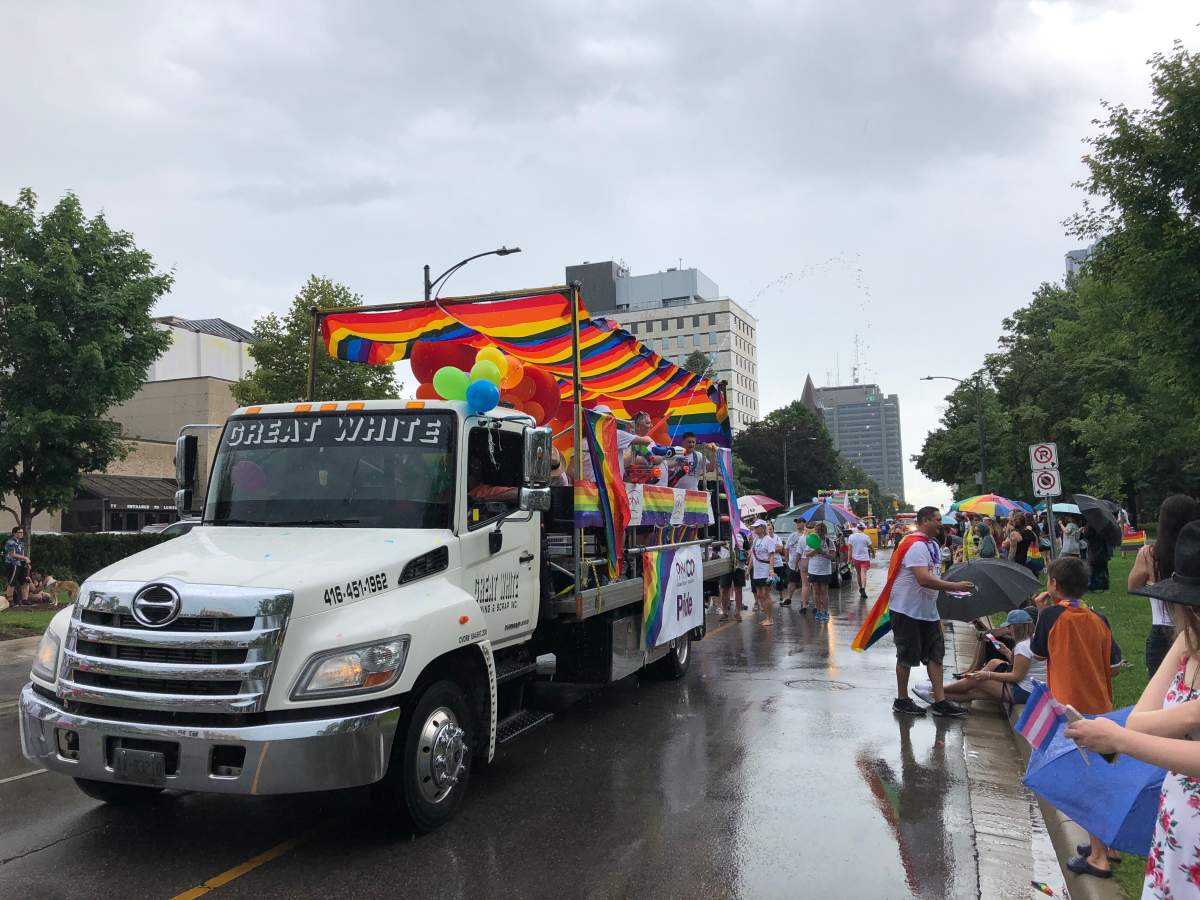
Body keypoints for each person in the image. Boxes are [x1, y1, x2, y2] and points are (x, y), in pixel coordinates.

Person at [1067, 520, 1200, 896]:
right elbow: (1139, 721)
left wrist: (1120, 740)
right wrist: (1191, 714)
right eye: (1192, 605)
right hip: (1177, 834)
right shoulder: (1188, 641)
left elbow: (1136, 732)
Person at [1030, 555, 1123, 880]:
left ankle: (1098, 858)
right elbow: (1113, 664)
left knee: (1086, 783)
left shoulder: (1051, 615)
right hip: (1101, 706)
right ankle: (1108, 845)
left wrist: (1040, 612)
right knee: (1100, 775)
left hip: (1070, 712)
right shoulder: (1099, 617)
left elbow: (1037, 653)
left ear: (1054, 584)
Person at [887, 506, 974, 718]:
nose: (940, 524)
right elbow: (923, 579)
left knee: (936, 655)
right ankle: (902, 700)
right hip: (907, 611)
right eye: (937, 520)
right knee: (906, 656)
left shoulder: (932, 544)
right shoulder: (915, 545)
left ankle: (940, 701)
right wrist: (954, 586)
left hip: (928, 611)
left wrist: (948, 589)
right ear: (925, 521)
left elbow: (933, 576)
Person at [1129, 495, 1199, 678]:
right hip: (1194, 627)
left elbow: (1133, 586)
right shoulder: (1195, 556)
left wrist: (1154, 582)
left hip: (1161, 630)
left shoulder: (1149, 554)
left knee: (1161, 689)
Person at [925, 609, 1043, 708]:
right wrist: (1006, 651)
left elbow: (1016, 676)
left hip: (1023, 692)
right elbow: (1023, 667)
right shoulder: (1033, 640)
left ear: (1015, 627)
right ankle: (935, 696)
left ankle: (936, 690)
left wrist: (988, 675)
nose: (1009, 629)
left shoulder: (1023, 646)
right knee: (974, 691)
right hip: (1031, 691)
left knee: (976, 680)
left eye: (1009, 626)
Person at [804, 522, 837, 622]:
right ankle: (818, 611)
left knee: (824, 591)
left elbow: (833, 556)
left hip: (825, 571)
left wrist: (823, 552)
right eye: (817, 531)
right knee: (815, 591)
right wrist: (815, 551)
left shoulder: (829, 542)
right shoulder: (812, 540)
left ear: (825, 532)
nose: (819, 533)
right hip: (813, 570)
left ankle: (825, 612)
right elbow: (806, 554)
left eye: (821, 531)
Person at [718, 529, 749, 622]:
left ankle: (737, 612)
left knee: (738, 589)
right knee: (724, 589)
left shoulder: (742, 534)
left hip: (739, 566)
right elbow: (715, 548)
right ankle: (724, 612)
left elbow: (748, 549)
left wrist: (744, 554)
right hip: (725, 565)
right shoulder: (721, 533)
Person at [749, 520, 775, 627]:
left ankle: (770, 618)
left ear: (762, 528)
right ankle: (766, 617)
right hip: (757, 572)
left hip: (765, 570)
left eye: (756, 527)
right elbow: (752, 556)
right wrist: (748, 569)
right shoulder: (755, 540)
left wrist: (771, 570)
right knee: (759, 595)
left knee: (765, 594)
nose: (754, 529)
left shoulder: (768, 540)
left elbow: (772, 556)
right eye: (754, 527)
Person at [4, 525, 31, 609]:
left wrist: (26, 563)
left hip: (21, 564)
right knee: (12, 582)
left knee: (25, 581)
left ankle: (24, 600)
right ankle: (10, 600)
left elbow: (21, 554)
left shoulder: (21, 543)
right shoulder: (10, 542)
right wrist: (25, 558)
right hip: (13, 564)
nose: (21, 534)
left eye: (22, 532)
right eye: (19, 532)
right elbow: (12, 554)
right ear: (14, 533)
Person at [783, 518, 808, 608]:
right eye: (796, 522)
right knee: (791, 581)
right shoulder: (792, 536)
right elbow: (787, 548)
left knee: (806, 583)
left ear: (804, 523)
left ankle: (804, 601)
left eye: (799, 522)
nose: (797, 524)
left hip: (805, 563)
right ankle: (788, 599)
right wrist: (787, 560)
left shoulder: (808, 535)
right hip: (793, 563)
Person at [1081, 520, 1112, 591]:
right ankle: (1104, 584)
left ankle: (1091, 584)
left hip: (1094, 549)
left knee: (1092, 568)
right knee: (1103, 567)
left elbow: (1087, 535)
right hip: (1103, 549)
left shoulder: (1091, 524)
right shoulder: (1104, 524)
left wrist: (1083, 530)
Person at [847, 523, 874, 599]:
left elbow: (850, 549)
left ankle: (860, 588)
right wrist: (873, 553)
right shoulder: (866, 537)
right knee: (864, 574)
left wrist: (849, 559)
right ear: (864, 529)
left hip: (855, 558)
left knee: (858, 573)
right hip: (865, 558)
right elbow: (871, 547)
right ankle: (863, 588)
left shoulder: (851, 537)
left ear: (857, 528)